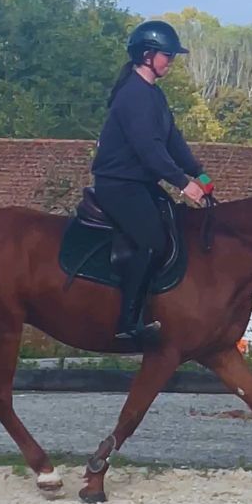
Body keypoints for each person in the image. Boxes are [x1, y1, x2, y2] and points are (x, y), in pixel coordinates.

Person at [92, 19, 212, 343]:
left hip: (139, 183)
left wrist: (199, 173)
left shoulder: (153, 95)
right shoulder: (133, 95)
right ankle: (127, 323)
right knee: (152, 241)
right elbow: (149, 150)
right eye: (166, 55)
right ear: (147, 55)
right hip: (118, 183)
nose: (170, 61)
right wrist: (182, 183)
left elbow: (172, 141)